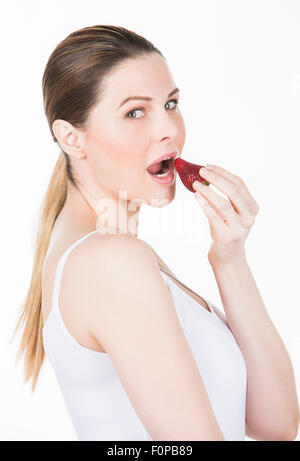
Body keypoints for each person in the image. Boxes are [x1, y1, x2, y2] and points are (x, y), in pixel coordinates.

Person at [13, 25, 299, 441]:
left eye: (171, 103)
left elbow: (277, 424)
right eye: (135, 112)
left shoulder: (116, 253)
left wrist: (230, 259)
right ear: (71, 138)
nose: (169, 129)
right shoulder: (110, 262)